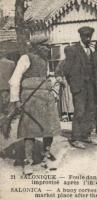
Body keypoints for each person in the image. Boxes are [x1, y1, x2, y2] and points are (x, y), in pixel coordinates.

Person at [8, 37, 61, 175]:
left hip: (46, 99)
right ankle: (28, 162)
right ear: (37, 46)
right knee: (30, 130)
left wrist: (54, 92)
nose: (48, 48)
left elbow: (48, 78)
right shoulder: (26, 58)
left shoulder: (45, 61)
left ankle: (45, 158)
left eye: (49, 46)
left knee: (49, 128)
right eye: (46, 46)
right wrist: (16, 100)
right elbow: (15, 80)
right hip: (30, 99)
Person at [63, 26, 97, 149]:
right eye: (86, 36)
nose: (88, 39)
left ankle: (86, 135)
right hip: (79, 87)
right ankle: (76, 138)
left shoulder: (91, 51)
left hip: (89, 87)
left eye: (90, 36)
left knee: (89, 111)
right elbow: (66, 70)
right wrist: (73, 84)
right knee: (80, 111)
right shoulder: (73, 50)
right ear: (81, 37)